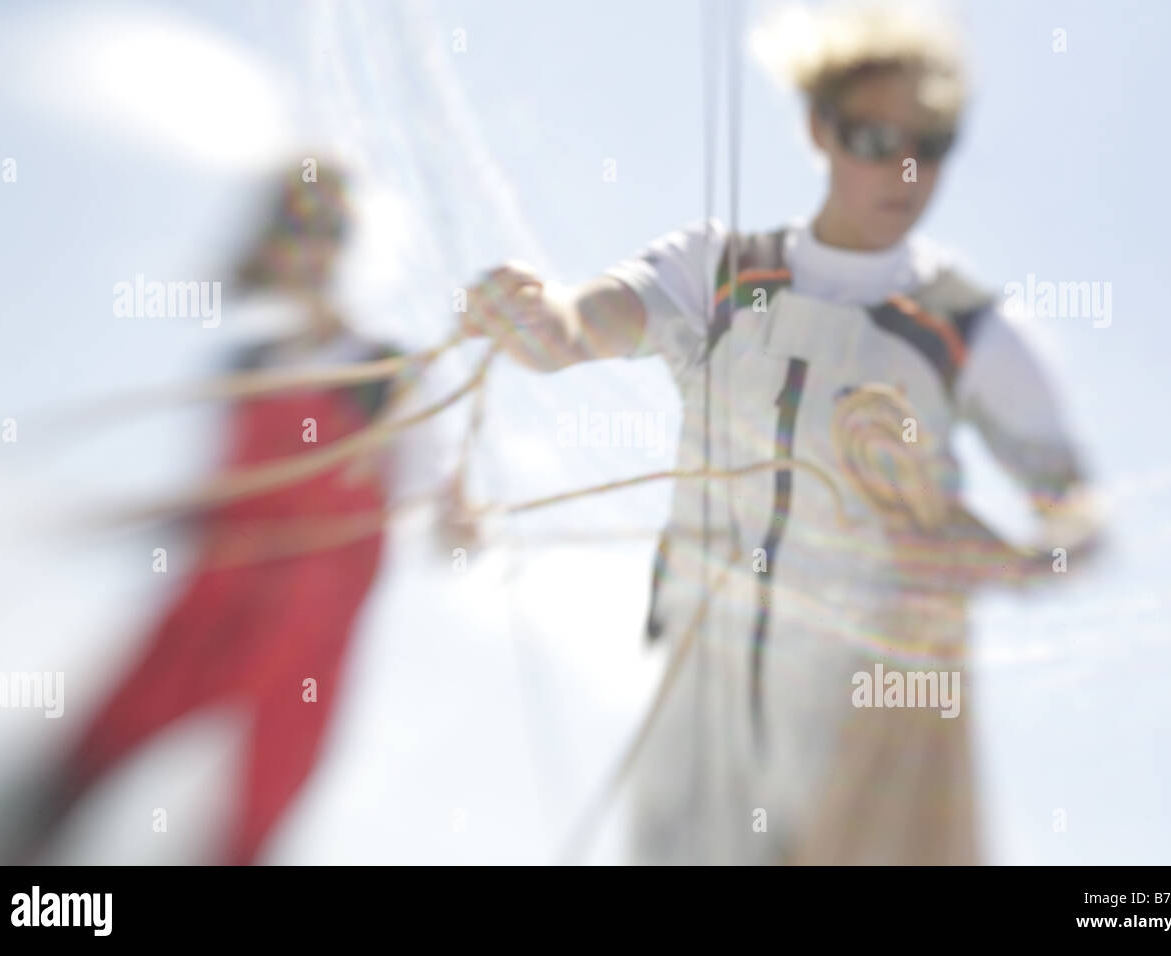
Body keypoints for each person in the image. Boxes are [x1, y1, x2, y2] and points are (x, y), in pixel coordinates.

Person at [462, 4, 1103, 864]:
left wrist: (1018, 560)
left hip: (866, 725)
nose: (906, 169)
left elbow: (1077, 520)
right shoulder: (722, 272)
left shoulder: (968, 331)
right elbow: (582, 325)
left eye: (934, 141)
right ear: (819, 129)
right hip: (701, 706)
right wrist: (542, 321)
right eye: (876, 137)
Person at [25, 160, 407, 864]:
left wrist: (462, 521)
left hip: (313, 608)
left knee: (265, 790)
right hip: (219, 584)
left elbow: (428, 496)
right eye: (288, 237)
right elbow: (218, 491)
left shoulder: (381, 371)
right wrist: (169, 520)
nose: (303, 256)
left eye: (319, 235)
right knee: (103, 740)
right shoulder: (246, 363)